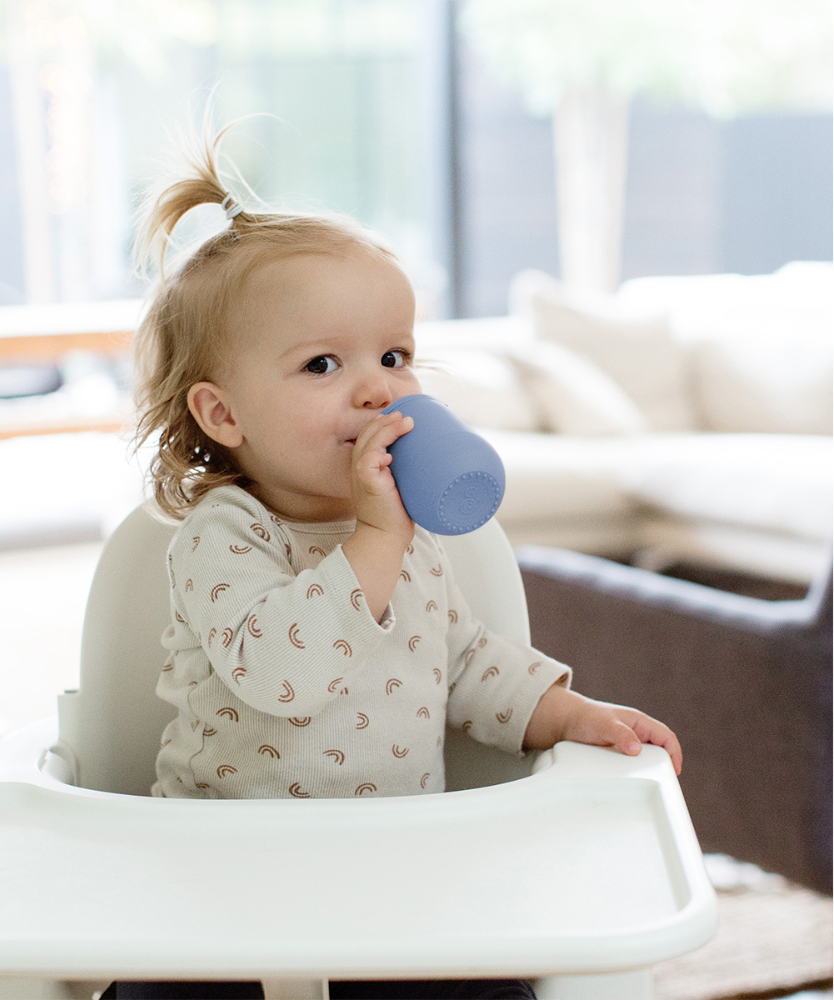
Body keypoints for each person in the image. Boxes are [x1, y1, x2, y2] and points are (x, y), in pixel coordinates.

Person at [109, 124, 683, 1000]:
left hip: (401, 884)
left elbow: (462, 664)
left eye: (394, 356)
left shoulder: (411, 538)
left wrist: (570, 712)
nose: (377, 386)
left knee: (498, 978)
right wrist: (377, 542)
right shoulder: (222, 539)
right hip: (227, 891)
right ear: (224, 415)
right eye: (324, 364)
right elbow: (283, 671)